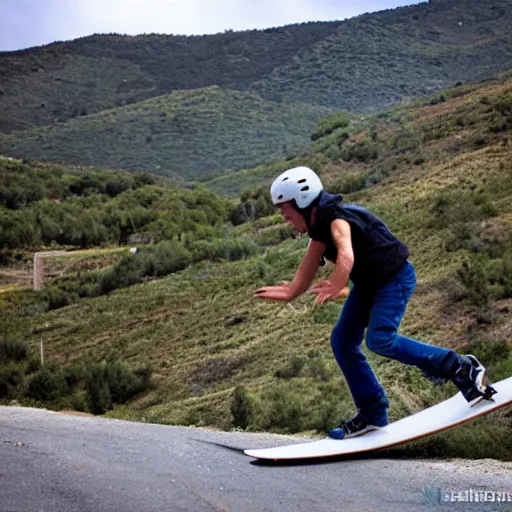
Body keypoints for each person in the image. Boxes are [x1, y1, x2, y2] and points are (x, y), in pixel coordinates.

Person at [255, 166, 496, 440]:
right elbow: (306, 271)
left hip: (394, 279)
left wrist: (337, 283)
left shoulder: (337, 221)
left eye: (286, 211)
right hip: (370, 285)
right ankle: (372, 412)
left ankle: (460, 366)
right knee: (342, 341)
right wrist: (290, 293)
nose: (285, 218)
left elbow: (346, 255)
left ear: (303, 203)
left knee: (380, 339)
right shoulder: (319, 230)